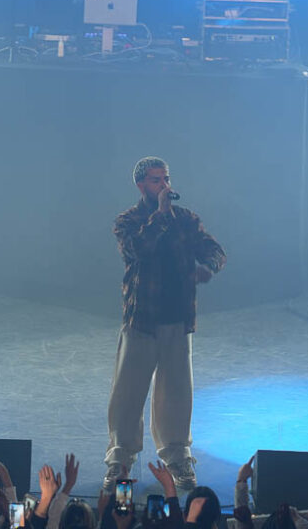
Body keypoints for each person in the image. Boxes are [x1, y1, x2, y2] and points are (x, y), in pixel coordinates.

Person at [103, 156, 227, 492]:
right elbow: (137, 250)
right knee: (128, 392)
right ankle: (120, 457)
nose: (164, 186)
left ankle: (177, 455)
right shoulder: (128, 221)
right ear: (141, 185)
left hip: (177, 318)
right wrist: (159, 215)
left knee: (176, 392)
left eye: (166, 179)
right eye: (157, 180)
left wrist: (209, 267)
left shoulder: (185, 219)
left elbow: (214, 249)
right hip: (141, 318)